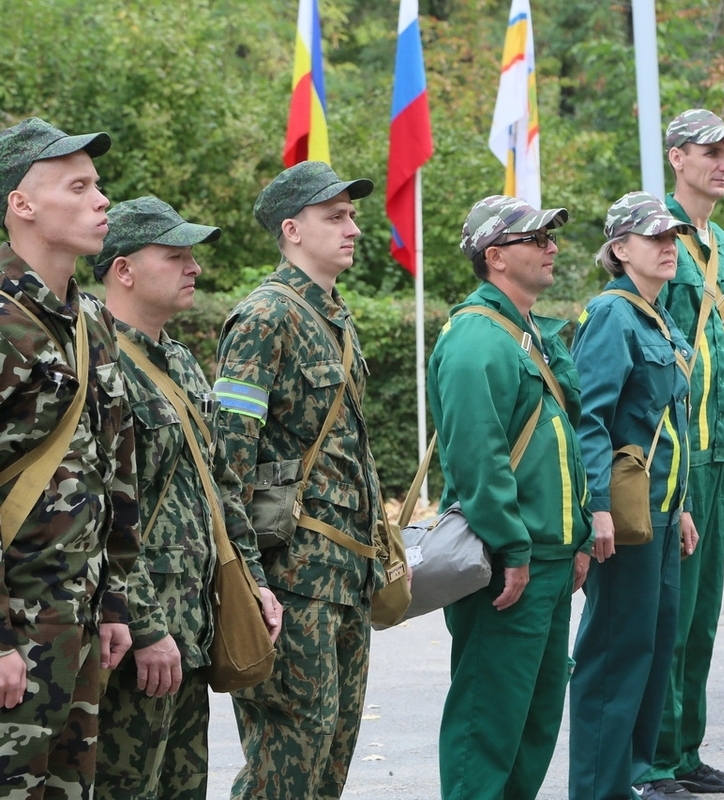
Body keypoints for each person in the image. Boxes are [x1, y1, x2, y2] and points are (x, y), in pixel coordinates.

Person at [91, 197, 283, 799]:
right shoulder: (98, 358)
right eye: (174, 255)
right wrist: (146, 627)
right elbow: (102, 512)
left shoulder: (177, 359)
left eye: (191, 255)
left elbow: (220, 483)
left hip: (194, 623)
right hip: (138, 633)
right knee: (129, 787)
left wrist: (253, 580)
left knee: (182, 788)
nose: (193, 267)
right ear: (123, 270)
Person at [212, 161, 386, 799]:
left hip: (345, 573)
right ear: (292, 230)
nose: (353, 228)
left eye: (352, 215)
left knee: (332, 751)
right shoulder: (264, 318)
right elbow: (228, 463)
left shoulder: (333, 316)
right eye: (334, 216)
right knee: (287, 755)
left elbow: (348, 452)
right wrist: (251, 580)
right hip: (292, 582)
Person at [427, 195, 592, 800]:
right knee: (487, 720)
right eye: (536, 239)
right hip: (508, 560)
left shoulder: (529, 335)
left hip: (547, 555)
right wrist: (513, 547)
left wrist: (573, 539)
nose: (552, 247)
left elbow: (562, 448)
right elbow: (478, 457)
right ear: (495, 256)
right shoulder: (476, 338)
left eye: (551, 236)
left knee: (534, 719)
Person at [0, 117, 137, 795]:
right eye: (78, 186)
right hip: (15, 634)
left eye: (99, 185)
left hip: (76, 626)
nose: (101, 200)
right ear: (21, 205)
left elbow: (117, 473)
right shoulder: (3, 320)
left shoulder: (92, 324)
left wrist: (114, 602)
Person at [569, 192, 694, 800]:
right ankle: (598, 789)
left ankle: (635, 779)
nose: (668, 246)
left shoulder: (657, 312)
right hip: (623, 516)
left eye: (673, 236)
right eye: (654, 238)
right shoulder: (613, 315)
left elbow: (667, 422)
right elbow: (590, 419)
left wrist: (685, 505)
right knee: (614, 655)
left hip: (663, 513)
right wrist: (596, 507)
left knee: (650, 650)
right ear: (620, 249)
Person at [650, 108, 724, 796]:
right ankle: (655, 761)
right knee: (670, 620)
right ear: (675, 159)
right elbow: (652, 353)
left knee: (703, 620)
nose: (722, 162)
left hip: (720, 458)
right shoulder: (654, 237)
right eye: (708, 151)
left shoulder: (720, 245)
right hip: (677, 464)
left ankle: (687, 753)